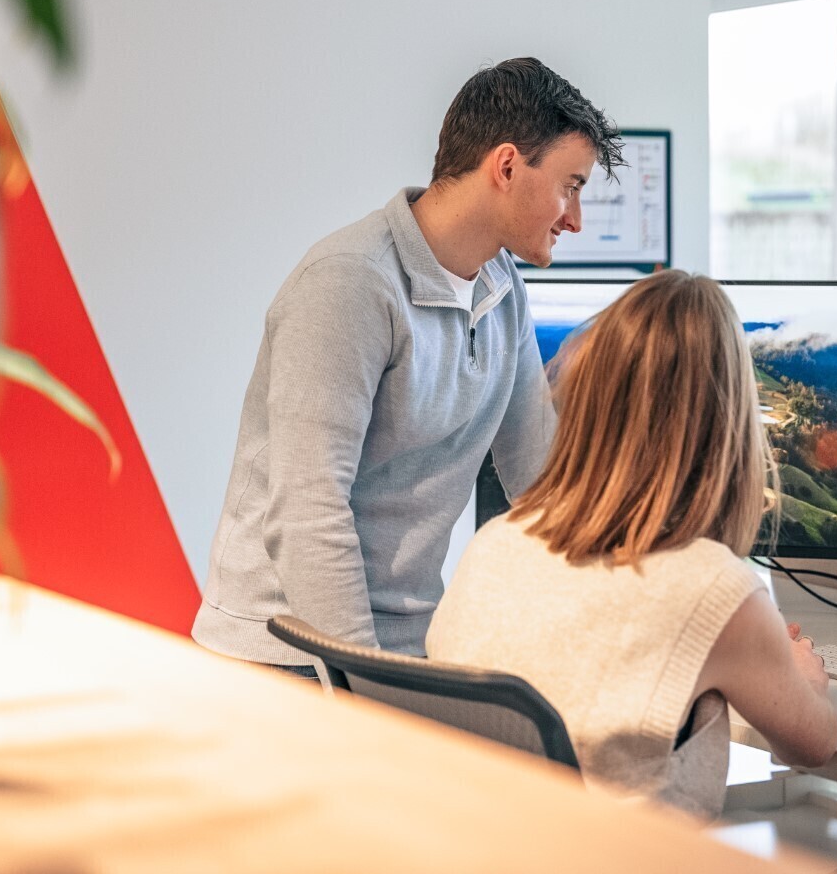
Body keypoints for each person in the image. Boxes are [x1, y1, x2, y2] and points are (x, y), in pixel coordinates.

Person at [193, 58, 624, 676]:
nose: (575, 219)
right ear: (506, 166)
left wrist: (663, 601)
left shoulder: (501, 288)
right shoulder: (349, 284)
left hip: (406, 645)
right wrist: (366, 687)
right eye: (571, 186)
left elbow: (543, 481)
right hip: (286, 650)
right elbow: (308, 511)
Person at [427, 271, 837, 818]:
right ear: (727, 424)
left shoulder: (497, 542)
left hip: (485, 843)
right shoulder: (712, 586)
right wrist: (802, 676)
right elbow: (812, 746)